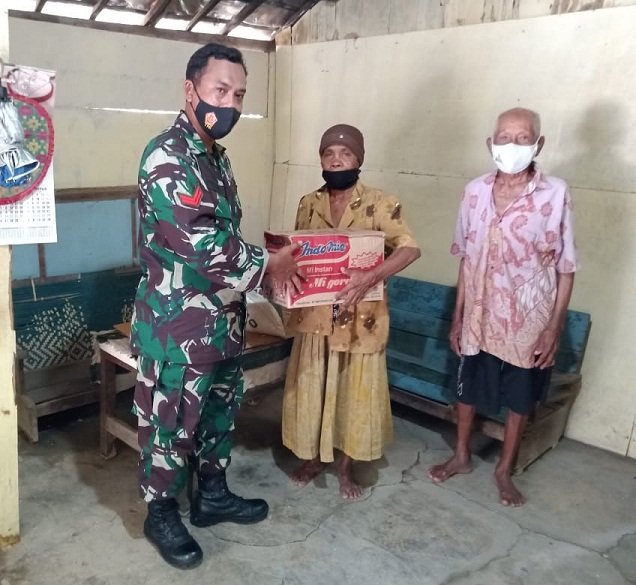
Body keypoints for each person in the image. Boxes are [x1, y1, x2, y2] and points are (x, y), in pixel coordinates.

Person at [130, 43, 303, 570]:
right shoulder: (168, 156)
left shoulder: (215, 159)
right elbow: (200, 243)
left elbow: (223, 238)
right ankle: (161, 512)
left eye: (239, 95)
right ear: (191, 91)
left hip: (222, 321)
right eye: (220, 90)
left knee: (217, 414)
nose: (230, 104)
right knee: (169, 425)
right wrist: (269, 265)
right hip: (177, 326)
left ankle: (211, 496)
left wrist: (263, 271)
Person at [427, 107, 578, 507]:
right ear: (490, 143)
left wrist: (554, 328)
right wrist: (458, 316)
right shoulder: (474, 192)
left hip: (527, 320)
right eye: (505, 137)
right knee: (467, 388)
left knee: (519, 398)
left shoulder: (555, 193)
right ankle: (461, 455)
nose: (512, 145)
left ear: (538, 144)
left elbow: (566, 268)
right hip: (478, 313)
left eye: (523, 138)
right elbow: (466, 259)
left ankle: (503, 469)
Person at [282, 124, 421, 500]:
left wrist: (371, 276)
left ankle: (345, 468)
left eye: (345, 154)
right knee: (313, 387)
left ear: (359, 159)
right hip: (315, 317)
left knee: (352, 393)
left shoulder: (381, 203)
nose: (336, 160)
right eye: (328, 154)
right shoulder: (308, 203)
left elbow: (409, 249)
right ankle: (313, 458)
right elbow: (298, 252)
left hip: (361, 319)